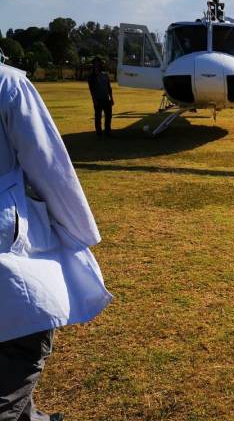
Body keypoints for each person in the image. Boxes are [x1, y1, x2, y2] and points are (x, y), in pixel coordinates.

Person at [0, 64, 112, 421]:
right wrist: (81, 233)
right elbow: (48, 163)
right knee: (25, 344)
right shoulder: (9, 83)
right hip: (8, 243)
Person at [87, 57, 114, 137]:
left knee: (108, 116)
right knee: (98, 117)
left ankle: (107, 131)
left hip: (106, 99)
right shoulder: (91, 77)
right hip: (98, 100)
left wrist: (111, 98)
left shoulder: (105, 75)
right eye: (95, 64)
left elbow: (109, 87)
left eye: (98, 63)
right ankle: (99, 132)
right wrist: (94, 100)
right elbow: (91, 90)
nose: (97, 65)